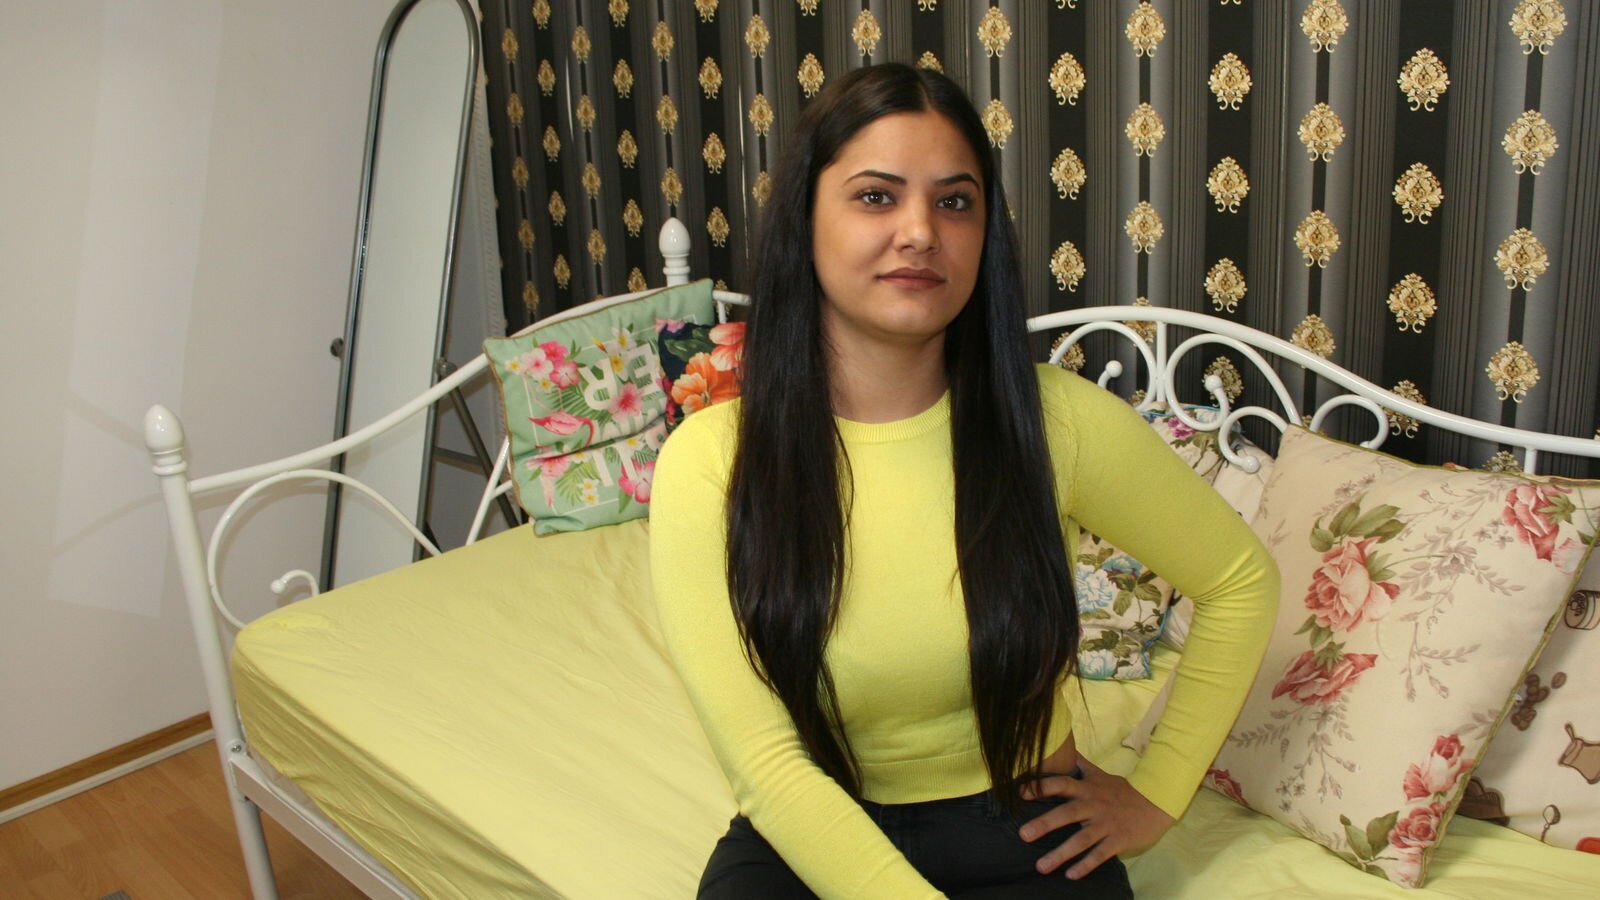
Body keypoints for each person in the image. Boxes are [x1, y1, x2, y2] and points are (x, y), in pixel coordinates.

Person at [648, 63, 1278, 898]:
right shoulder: (712, 461)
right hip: (813, 829)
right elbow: (768, 765)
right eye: (876, 196)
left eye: (954, 202)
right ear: (805, 218)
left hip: (1031, 834)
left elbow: (1241, 582)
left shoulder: (1054, 423)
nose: (920, 231)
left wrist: (1155, 797)